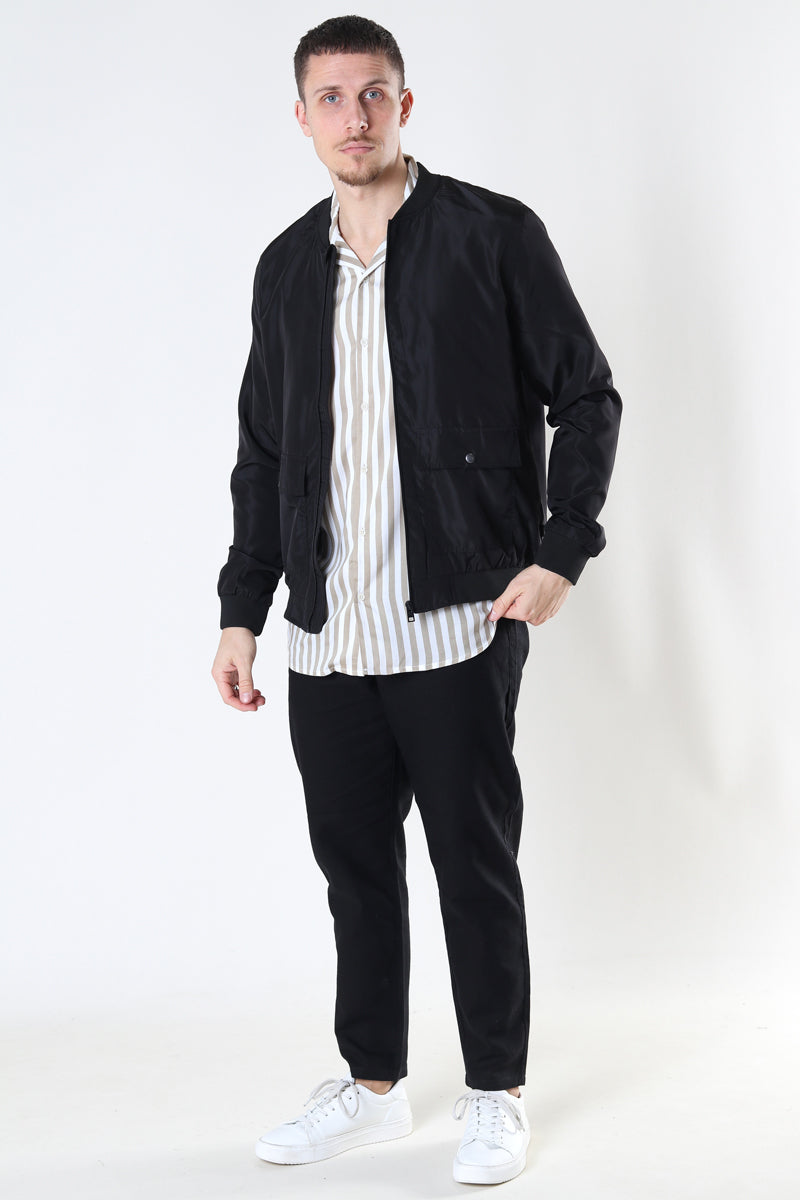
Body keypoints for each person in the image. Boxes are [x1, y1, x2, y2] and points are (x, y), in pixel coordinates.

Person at [211, 13, 622, 1187]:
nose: (353, 116)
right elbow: (262, 454)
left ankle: (494, 1092)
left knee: (471, 867)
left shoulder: (490, 235)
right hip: (326, 638)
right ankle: (373, 1087)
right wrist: (243, 610)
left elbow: (584, 396)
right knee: (354, 873)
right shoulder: (284, 268)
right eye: (330, 98)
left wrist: (561, 548)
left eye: (372, 93)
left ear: (404, 104)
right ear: (301, 118)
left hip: (455, 624)